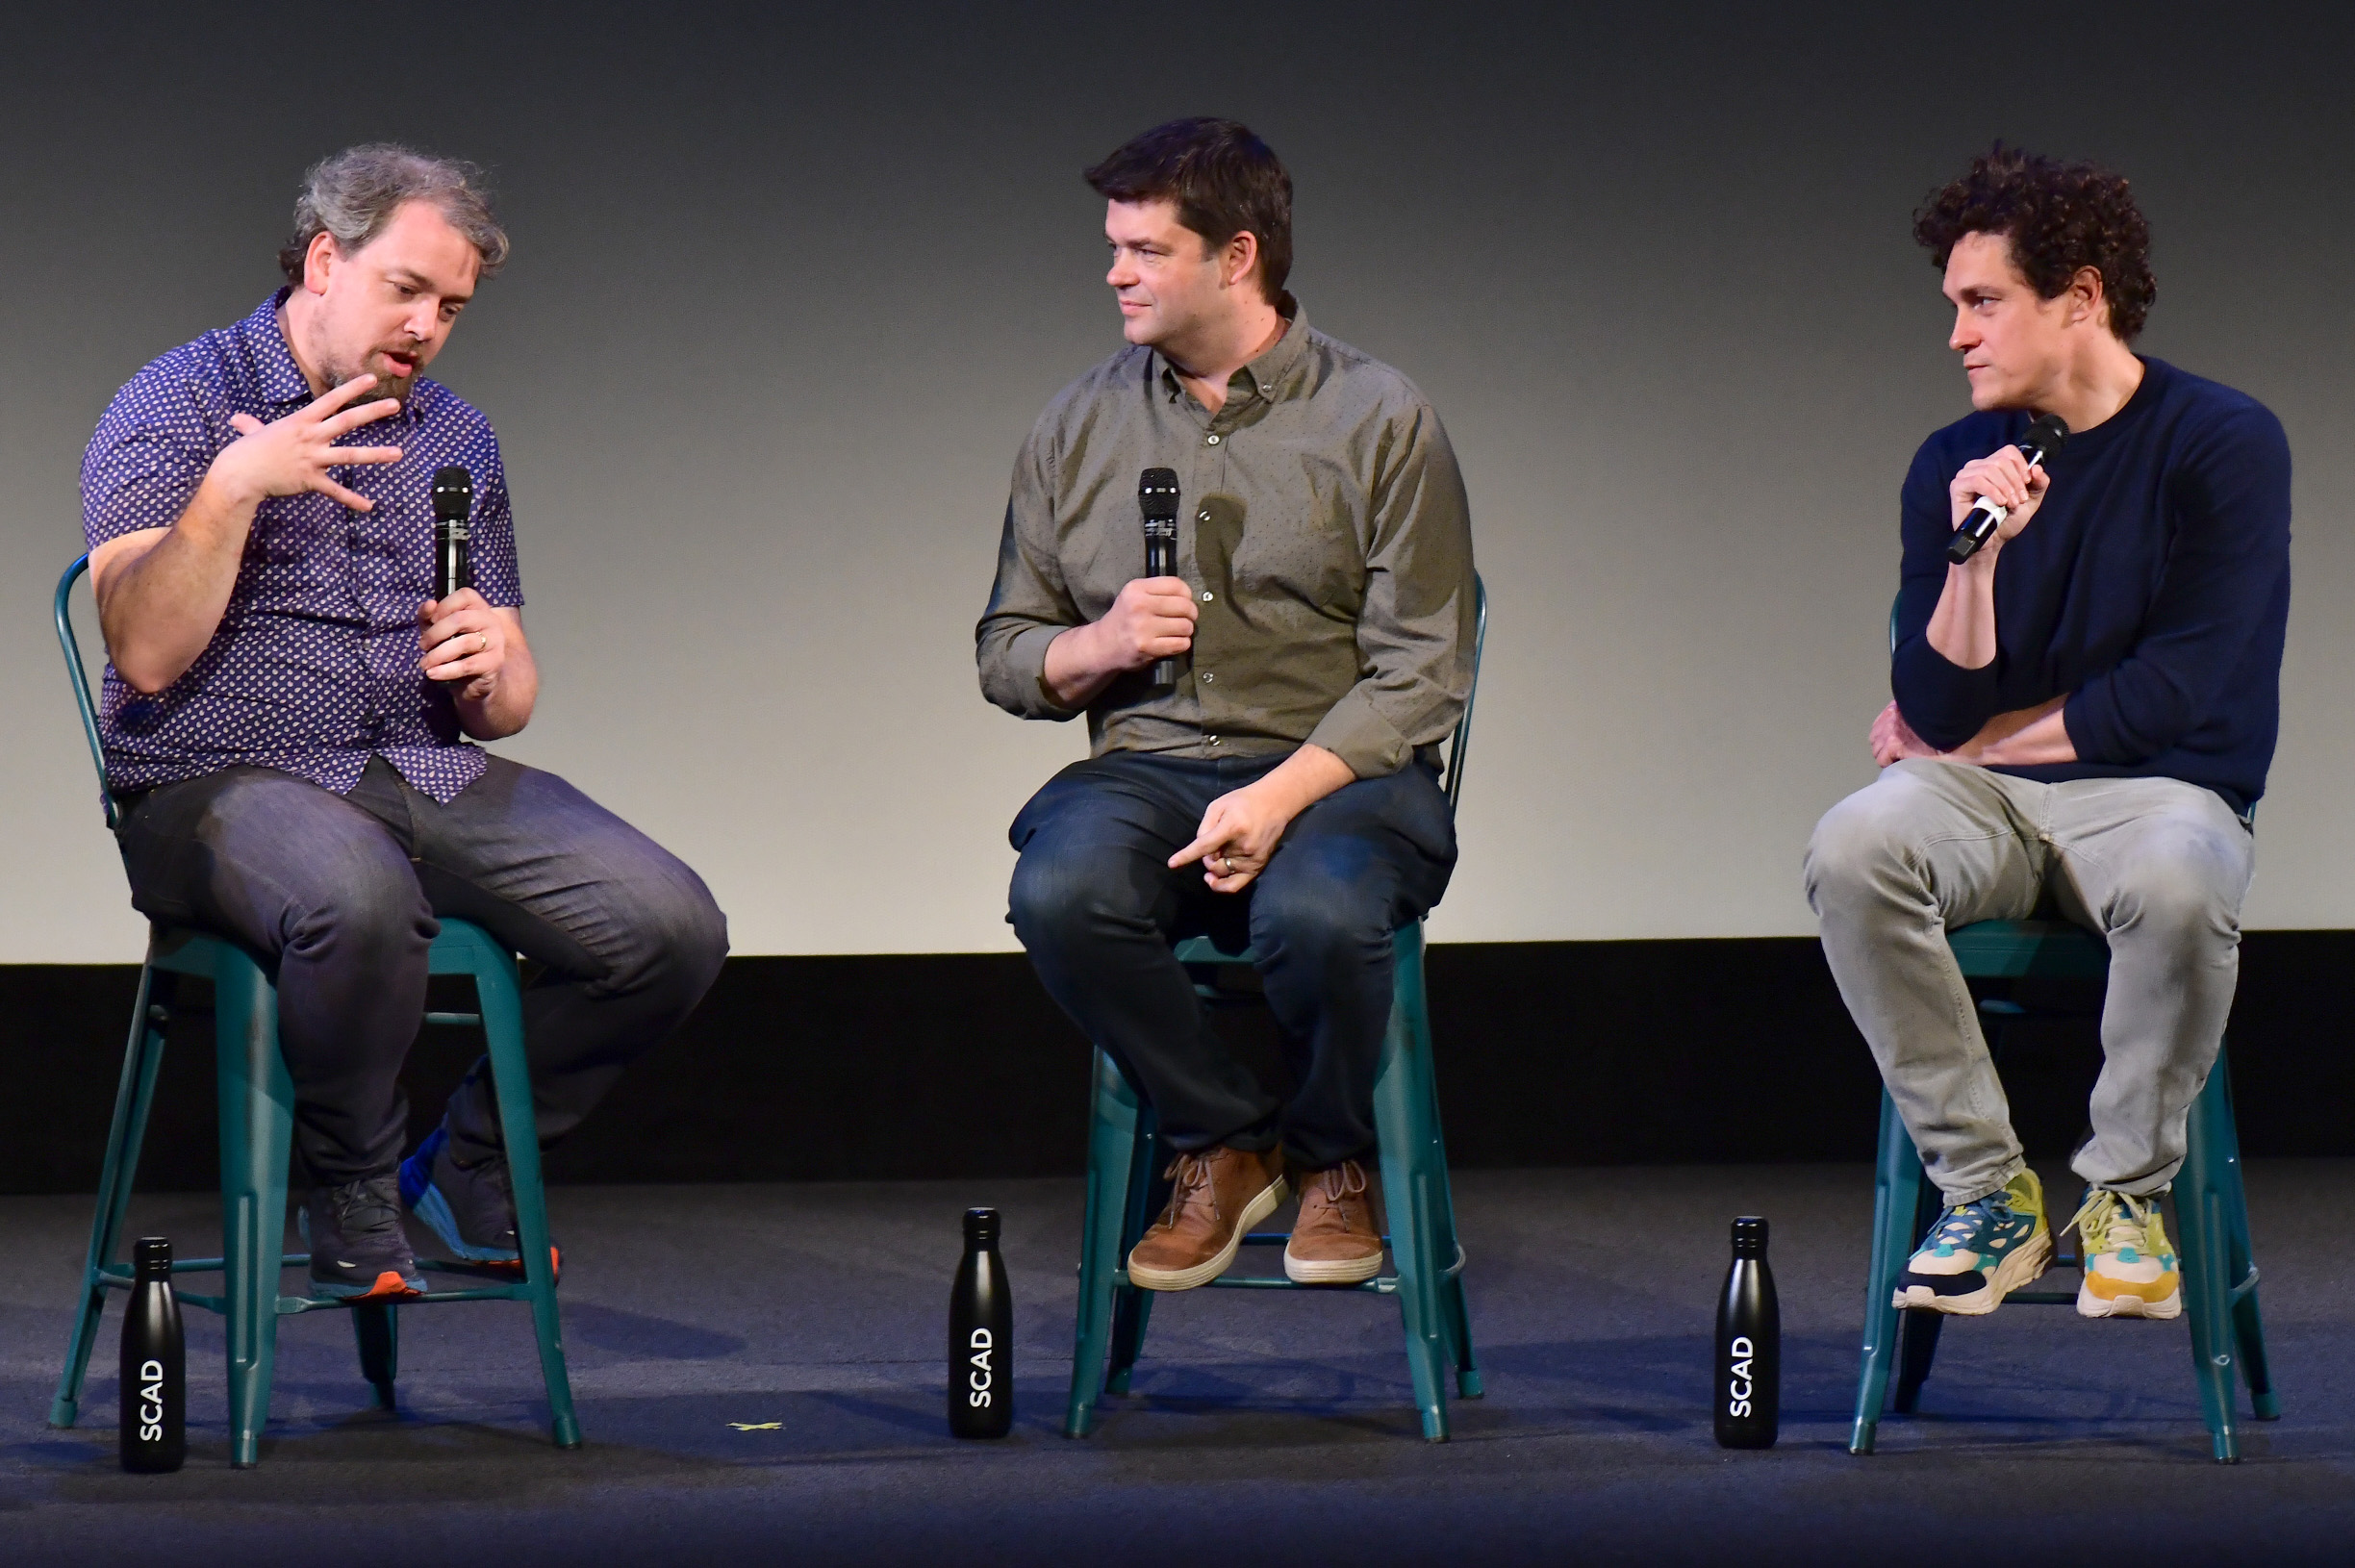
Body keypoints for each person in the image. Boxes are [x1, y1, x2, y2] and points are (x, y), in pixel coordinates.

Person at [83, 144, 728, 1300]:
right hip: (211, 778)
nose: (428, 325)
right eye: (407, 291)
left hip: (419, 770)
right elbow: (140, 647)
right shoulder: (176, 400)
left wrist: (498, 663)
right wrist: (233, 487)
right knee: (358, 892)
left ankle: (467, 1161)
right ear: (325, 261)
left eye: (452, 307)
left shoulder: (455, 437)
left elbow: (511, 696)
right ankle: (356, 1187)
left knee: (667, 927)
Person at [978, 118, 1476, 1291]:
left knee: (1317, 910)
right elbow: (1007, 652)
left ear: (1237, 256)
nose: (1116, 272)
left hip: (1343, 771)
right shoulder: (1078, 424)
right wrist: (1095, 645)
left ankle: (1335, 1159)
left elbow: (1424, 670)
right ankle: (1222, 1136)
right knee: (1060, 888)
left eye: (1146, 250)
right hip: (1153, 763)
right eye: (1115, 246)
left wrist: (1280, 792)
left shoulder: (1380, 417)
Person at [1806, 148, 2291, 1321]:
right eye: (1955, 308)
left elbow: (2174, 694)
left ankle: (2126, 1194)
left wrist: (1964, 749)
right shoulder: (1955, 467)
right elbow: (1927, 704)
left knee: (2182, 879)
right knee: (1854, 845)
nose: (1960, 335)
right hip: (1998, 811)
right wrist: (1978, 558)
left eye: (1984, 303)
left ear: (2079, 297)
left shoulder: (2222, 441)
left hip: (2159, 793)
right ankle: (1986, 1190)